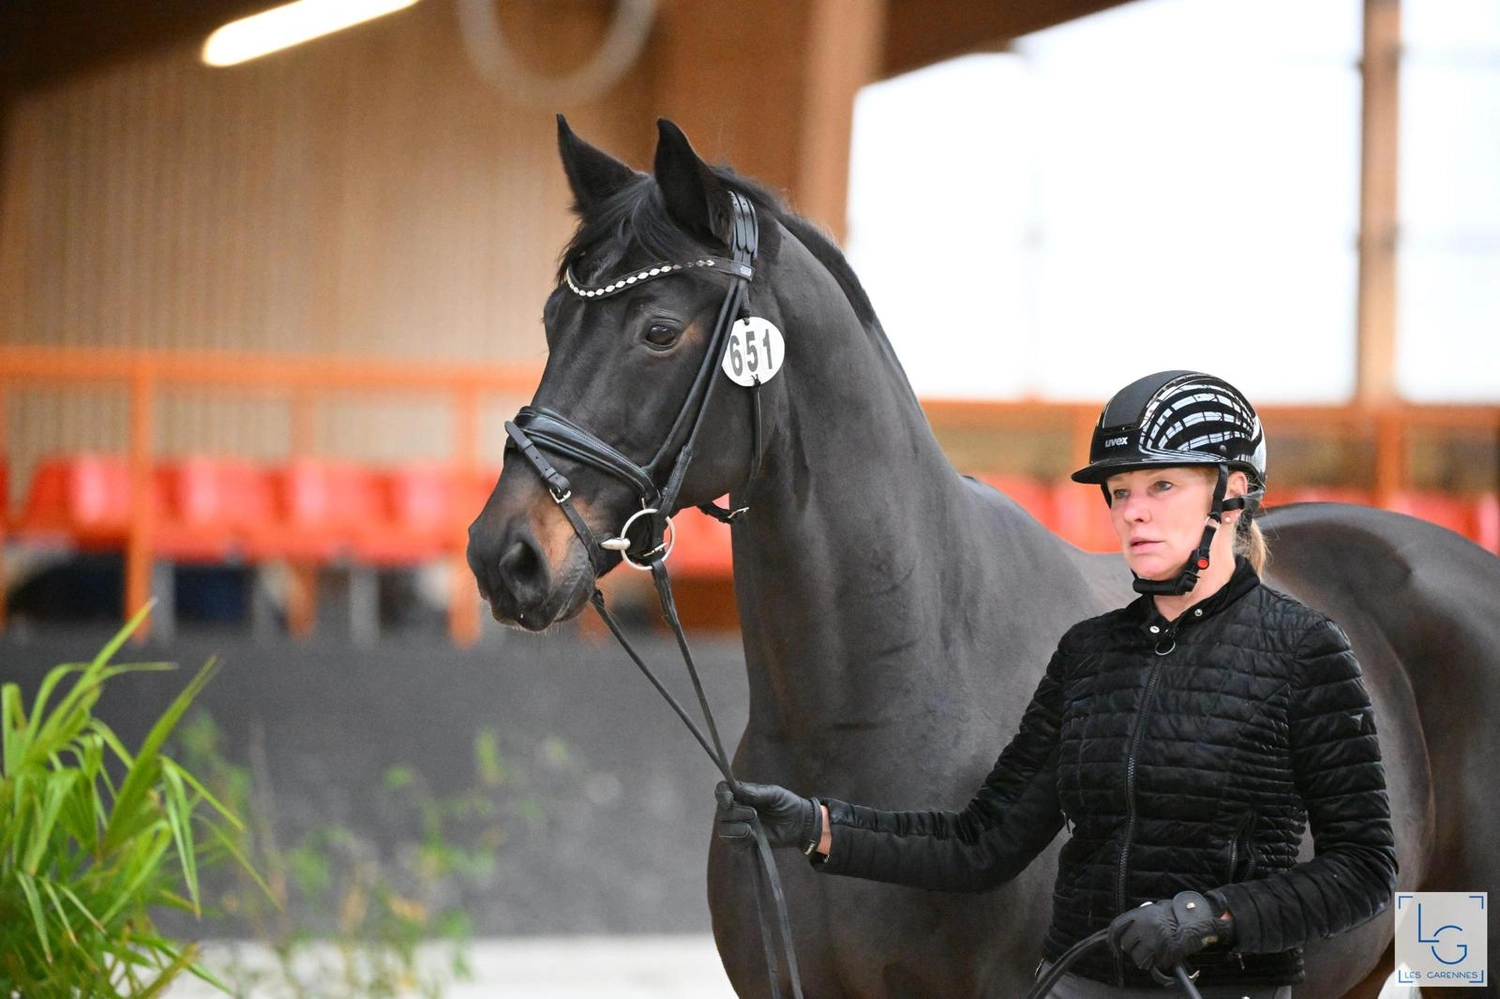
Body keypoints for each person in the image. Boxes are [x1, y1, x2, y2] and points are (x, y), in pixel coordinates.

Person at [716, 370, 1397, 998]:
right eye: (1122, 491)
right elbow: (982, 843)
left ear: (1235, 492)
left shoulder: (1306, 652)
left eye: (1162, 487)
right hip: (1078, 982)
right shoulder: (1089, 651)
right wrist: (819, 825)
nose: (1133, 511)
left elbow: (1365, 869)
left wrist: (1211, 914)